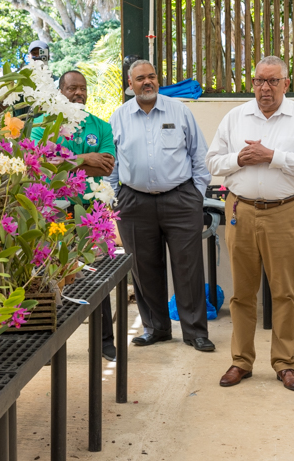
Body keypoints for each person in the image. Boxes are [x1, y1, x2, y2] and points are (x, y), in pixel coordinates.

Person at [206, 56, 294, 390]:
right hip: (240, 210)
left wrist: (272, 157)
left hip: (286, 211)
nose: (264, 88)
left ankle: (285, 364)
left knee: (284, 291)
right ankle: (241, 361)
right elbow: (212, 161)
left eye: (272, 81)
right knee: (242, 294)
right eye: (259, 80)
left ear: (286, 84)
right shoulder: (236, 116)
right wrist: (238, 159)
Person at [107, 60, 215, 352]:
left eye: (152, 76)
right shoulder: (119, 117)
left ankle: (195, 332)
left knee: (188, 267)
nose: (147, 82)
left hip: (179, 199)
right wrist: (117, 196)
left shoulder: (179, 111)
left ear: (158, 79)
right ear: (131, 85)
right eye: (140, 78)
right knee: (143, 267)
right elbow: (112, 163)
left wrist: (196, 195)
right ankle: (156, 327)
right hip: (134, 201)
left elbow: (199, 155)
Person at [31, 70, 118, 361]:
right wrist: (84, 160)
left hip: (91, 214)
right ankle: (50, 346)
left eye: (82, 88)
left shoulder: (101, 126)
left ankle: (105, 342)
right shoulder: (42, 126)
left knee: (99, 278)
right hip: (51, 215)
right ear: (60, 93)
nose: (78, 93)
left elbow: (105, 167)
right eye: (71, 89)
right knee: (51, 278)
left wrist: (66, 163)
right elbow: (42, 165)